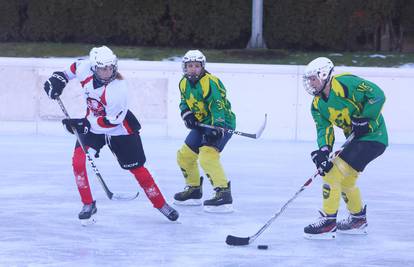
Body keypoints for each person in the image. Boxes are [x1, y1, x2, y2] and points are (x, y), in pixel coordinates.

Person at [43, 45, 178, 225]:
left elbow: (111, 122)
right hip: (92, 127)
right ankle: (88, 203)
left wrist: (83, 125)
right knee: (78, 162)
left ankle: (161, 204)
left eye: (110, 67)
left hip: (120, 130)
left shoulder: (118, 89)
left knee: (137, 168)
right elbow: (72, 69)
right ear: (93, 67)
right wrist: (57, 79)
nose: (107, 72)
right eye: (102, 68)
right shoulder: (85, 69)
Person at [302, 57, 388, 239]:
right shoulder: (317, 105)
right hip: (357, 140)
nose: (310, 82)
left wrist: (366, 117)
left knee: (332, 173)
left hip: (373, 136)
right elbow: (323, 129)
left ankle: (328, 221)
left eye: (312, 78)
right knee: (346, 180)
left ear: (324, 74)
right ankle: (358, 219)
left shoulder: (347, 83)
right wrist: (323, 151)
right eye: (308, 79)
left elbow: (378, 95)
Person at [174, 50, 236, 213]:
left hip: (222, 124)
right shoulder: (183, 83)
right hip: (202, 125)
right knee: (184, 156)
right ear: (184, 67)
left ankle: (223, 193)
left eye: (196, 66)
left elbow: (218, 105)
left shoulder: (211, 82)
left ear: (202, 67)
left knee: (207, 156)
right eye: (189, 66)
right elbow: (183, 102)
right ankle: (194, 190)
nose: (193, 69)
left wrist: (218, 126)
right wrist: (187, 114)